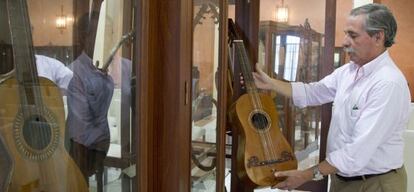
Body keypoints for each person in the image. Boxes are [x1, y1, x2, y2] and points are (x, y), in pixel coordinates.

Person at [249, 3, 410, 192]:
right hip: (342, 179)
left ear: (378, 36)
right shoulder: (349, 71)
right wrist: (270, 83)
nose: (345, 42)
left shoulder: (387, 84)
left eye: (353, 35)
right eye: (346, 34)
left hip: (375, 184)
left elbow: (355, 154)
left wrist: (305, 175)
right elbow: (314, 92)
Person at [66, 11, 113, 191]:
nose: (104, 39)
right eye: (98, 33)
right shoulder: (75, 72)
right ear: (85, 37)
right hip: (82, 146)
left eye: (108, 33)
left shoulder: (107, 68)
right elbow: (82, 126)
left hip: (100, 141)